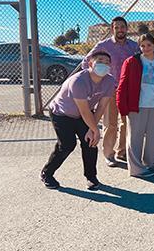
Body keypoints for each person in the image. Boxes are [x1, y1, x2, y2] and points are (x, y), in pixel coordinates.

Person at [40, 51, 116, 190]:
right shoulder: (78, 80)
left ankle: (91, 177)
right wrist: (95, 130)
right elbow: (84, 110)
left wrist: (91, 130)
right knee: (67, 145)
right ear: (90, 64)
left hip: (84, 114)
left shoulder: (110, 81)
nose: (103, 65)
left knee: (90, 142)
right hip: (62, 114)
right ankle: (47, 173)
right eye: (99, 61)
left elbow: (101, 107)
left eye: (107, 62)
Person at [82, 16, 139, 167]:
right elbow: (86, 62)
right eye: (117, 27)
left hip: (129, 90)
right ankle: (109, 154)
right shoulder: (103, 45)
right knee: (110, 123)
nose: (120, 30)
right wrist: (95, 81)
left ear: (127, 29)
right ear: (112, 29)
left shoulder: (133, 46)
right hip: (110, 90)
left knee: (127, 123)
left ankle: (122, 151)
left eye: (123, 27)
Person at [117, 33, 154, 178]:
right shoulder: (132, 62)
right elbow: (122, 85)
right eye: (142, 45)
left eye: (149, 45)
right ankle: (136, 169)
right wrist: (122, 106)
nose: (146, 48)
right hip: (137, 105)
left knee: (153, 137)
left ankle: (150, 164)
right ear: (139, 47)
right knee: (135, 137)